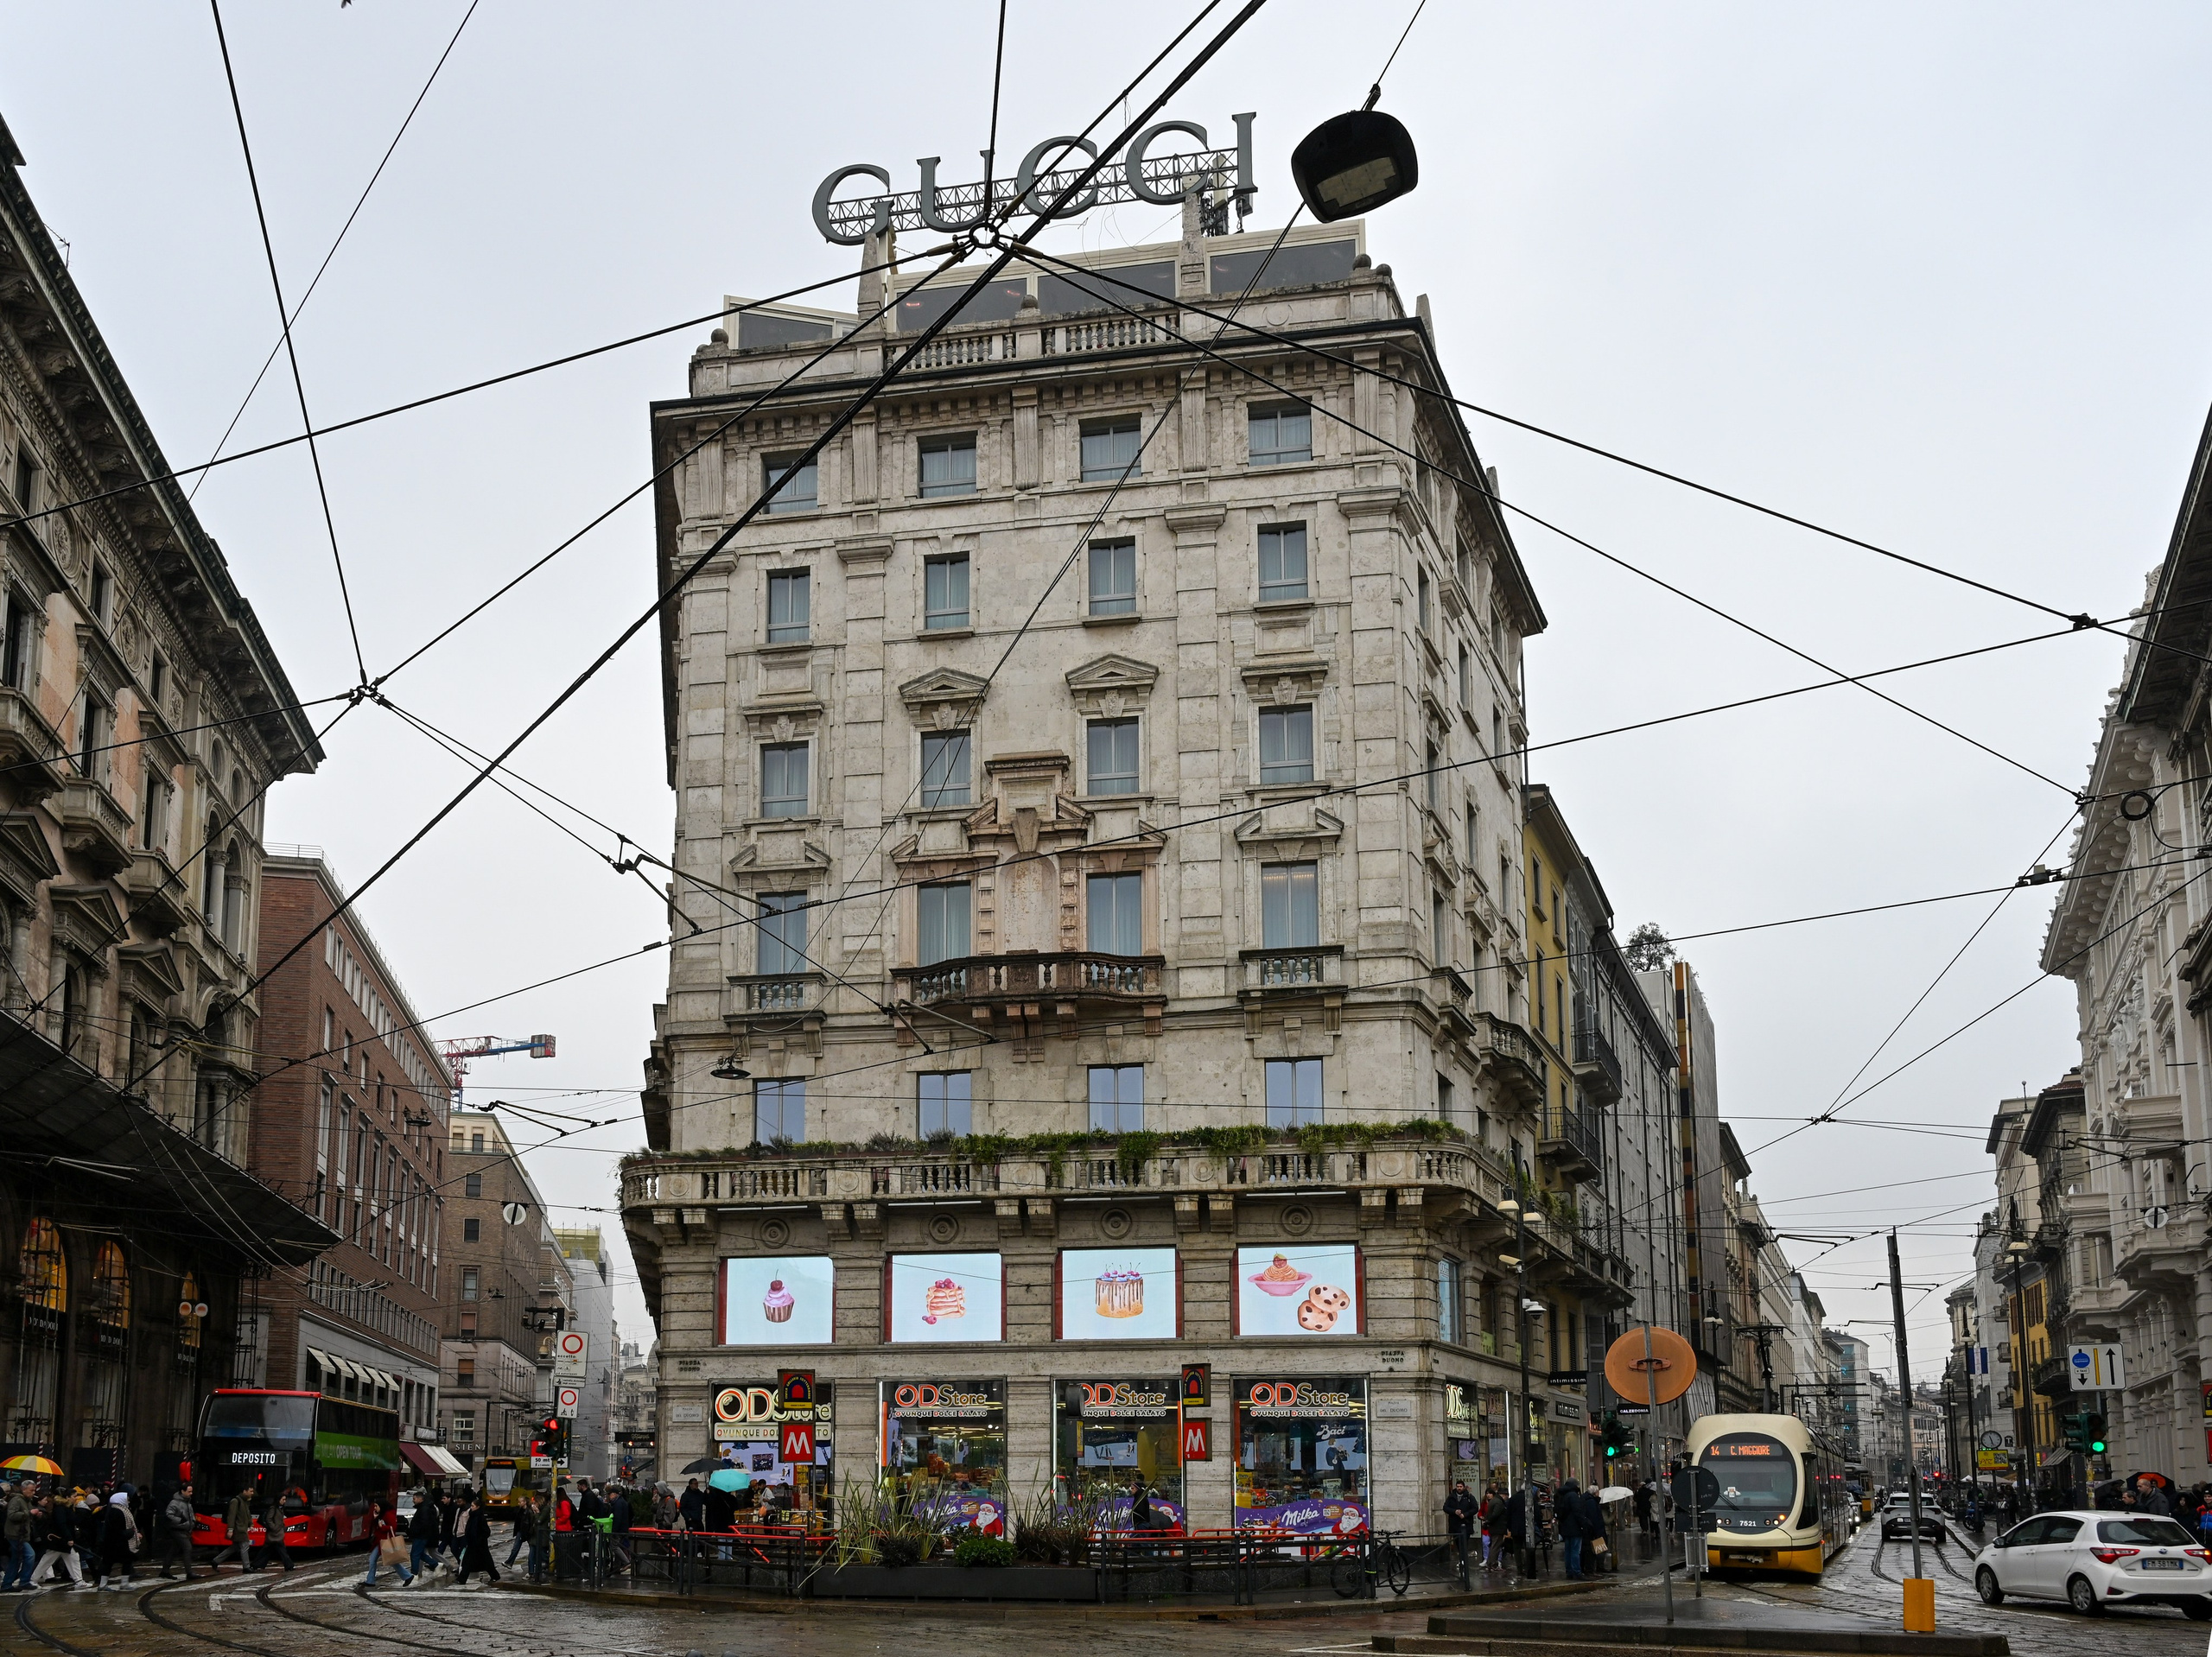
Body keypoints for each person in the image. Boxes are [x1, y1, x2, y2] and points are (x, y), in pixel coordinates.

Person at [29, 1495, 87, 1590]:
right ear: (67, 1497)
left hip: (62, 1540)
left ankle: (79, 1581)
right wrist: (68, 1538)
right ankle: (33, 1580)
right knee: (48, 1560)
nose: (75, 1498)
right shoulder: (61, 1509)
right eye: (73, 1496)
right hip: (59, 1541)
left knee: (73, 1558)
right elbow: (62, 1524)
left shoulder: (65, 1508)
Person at [362, 1499, 413, 1589]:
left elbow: (393, 1527)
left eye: (376, 1506)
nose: (375, 1508)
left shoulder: (388, 1514)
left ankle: (407, 1576)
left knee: (389, 1560)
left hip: (385, 1541)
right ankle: (370, 1580)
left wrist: (382, 1527)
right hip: (381, 1541)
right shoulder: (382, 1514)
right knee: (385, 1560)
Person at [154, 1483, 199, 1580]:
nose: (191, 1493)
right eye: (189, 1491)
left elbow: (191, 1515)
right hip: (178, 1530)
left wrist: (193, 1523)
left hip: (184, 1529)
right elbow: (169, 1514)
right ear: (182, 1491)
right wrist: (180, 1520)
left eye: (191, 1491)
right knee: (187, 1548)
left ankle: (165, 1571)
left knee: (173, 1550)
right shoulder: (175, 1503)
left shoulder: (187, 1502)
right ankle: (189, 1573)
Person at [455, 1495, 499, 1587]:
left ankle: (495, 1576)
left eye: (473, 1506)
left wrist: (479, 1540)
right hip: (472, 1543)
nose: (471, 1508)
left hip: (479, 1544)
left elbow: (486, 1531)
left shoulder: (480, 1517)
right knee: (469, 1561)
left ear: (478, 1507)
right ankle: (461, 1579)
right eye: (471, 1506)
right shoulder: (472, 1516)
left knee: (486, 1562)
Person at [210, 1486, 254, 1572]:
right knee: (245, 1546)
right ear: (244, 1491)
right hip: (238, 1529)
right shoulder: (236, 1501)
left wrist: (251, 1524)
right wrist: (230, 1529)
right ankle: (246, 1567)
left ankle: (215, 1561)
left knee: (235, 1547)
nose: (252, 1493)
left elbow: (247, 1514)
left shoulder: (245, 1501)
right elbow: (231, 1516)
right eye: (251, 1491)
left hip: (241, 1528)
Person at [98, 1492, 137, 1590]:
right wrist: (130, 1533)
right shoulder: (118, 1512)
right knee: (126, 1560)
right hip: (118, 1542)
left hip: (113, 1542)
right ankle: (123, 1583)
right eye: (127, 1499)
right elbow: (117, 1529)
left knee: (108, 1562)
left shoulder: (117, 1510)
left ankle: (103, 1584)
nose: (128, 1501)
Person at [406, 1488, 445, 1584]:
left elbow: (424, 1523)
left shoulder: (424, 1509)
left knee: (415, 1554)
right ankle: (435, 1564)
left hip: (421, 1536)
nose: (413, 1500)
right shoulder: (423, 1508)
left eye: (414, 1498)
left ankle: (414, 1573)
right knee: (419, 1554)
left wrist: (415, 1532)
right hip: (421, 1535)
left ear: (420, 1499)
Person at [1555, 1478, 1589, 1579]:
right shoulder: (1573, 1495)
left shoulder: (1563, 1494)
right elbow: (1577, 1512)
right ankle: (1577, 1571)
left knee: (1568, 1550)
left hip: (1566, 1527)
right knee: (1575, 1551)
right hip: (1575, 1527)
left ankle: (1569, 1571)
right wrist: (1584, 1523)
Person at [2, 1480, 32, 1593]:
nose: (33, 1492)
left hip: (20, 1534)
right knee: (30, 1555)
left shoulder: (26, 1500)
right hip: (15, 1534)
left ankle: (7, 1584)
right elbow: (12, 1515)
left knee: (15, 1560)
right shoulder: (17, 1500)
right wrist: (29, 1513)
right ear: (24, 1489)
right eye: (31, 1490)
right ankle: (24, 1581)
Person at [1443, 1480, 1477, 1578]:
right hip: (1455, 1526)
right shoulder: (1451, 1497)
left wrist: (1465, 1515)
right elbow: (1445, 1507)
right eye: (1457, 1486)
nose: (1459, 1488)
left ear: (1463, 1487)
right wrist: (1454, 1511)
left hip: (1466, 1525)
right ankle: (1461, 1560)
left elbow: (1475, 1508)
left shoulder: (1469, 1497)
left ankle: (1463, 1561)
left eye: (1461, 1486)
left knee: (1464, 1544)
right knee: (1458, 1544)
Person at [257, 1489, 293, 1573]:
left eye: (285, 1500)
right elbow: (269, 1519)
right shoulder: (273, 1508)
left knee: (267, 1550)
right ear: (278, 1500)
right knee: (281, 1550)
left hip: (276, 1533)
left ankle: (256, 1565)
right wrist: (274, 1528)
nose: (284, 1501)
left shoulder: (280, 1508)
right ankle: (289, 1566)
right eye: (283, 1499)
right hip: (274, 1534)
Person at [503, 1491, 537, 1570]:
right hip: (521, 1532)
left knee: (531, 1547)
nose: (519, 1504)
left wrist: (528, 1532)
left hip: (525, 1532)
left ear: (524, 1502)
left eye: (520, 1502)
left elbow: (530, 1522)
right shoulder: (520, 1510)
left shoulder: (529, 1511)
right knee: (516, 1548)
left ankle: (534, 1564)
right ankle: (509, 1562)